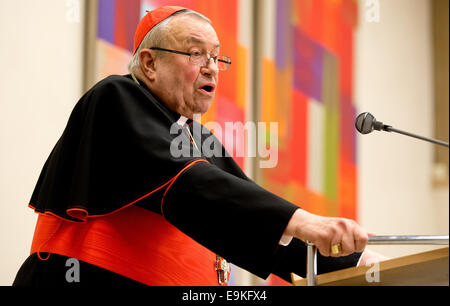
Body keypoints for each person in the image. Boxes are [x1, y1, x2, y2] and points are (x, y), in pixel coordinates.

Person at [13, 6, 384, 287]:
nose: (211, 68)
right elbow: (192, 184)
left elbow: (249, 216)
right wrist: (306, 220)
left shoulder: (198, 138)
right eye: (195, 53)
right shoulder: (115, 96)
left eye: (216, 57)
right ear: (149, 63)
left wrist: (363, 261)